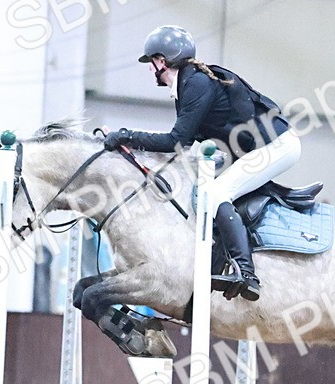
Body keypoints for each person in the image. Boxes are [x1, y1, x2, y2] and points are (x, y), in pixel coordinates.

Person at [103, 25, 300, 301]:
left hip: (277, 146)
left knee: (215, 195)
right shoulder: (187, 84)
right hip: (264, 146)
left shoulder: (196, 84)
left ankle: (246, 273)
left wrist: (127, 136)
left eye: (151, 62)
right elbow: (186, 143)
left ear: (163, 60)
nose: (150, 69)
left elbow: (176, 141)